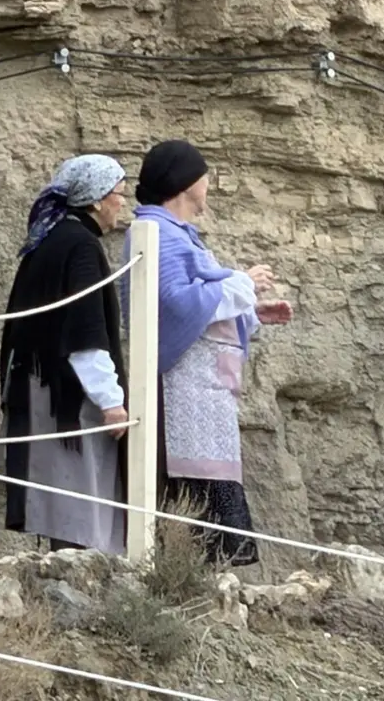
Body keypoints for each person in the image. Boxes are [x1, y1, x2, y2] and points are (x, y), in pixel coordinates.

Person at [123, 139, 293, 567]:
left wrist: (250, 311)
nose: (208, 184)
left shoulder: (179, 236)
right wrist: (240, 282)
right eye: (203, 175)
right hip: (185, 392)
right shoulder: (158, 233)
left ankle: (209, 576)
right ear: (185, 182)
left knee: (212, 486)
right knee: (194, 492)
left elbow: (200, 307)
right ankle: (191, 574)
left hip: (205, 394)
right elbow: (174, 304)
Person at [0, 154, 132, 554]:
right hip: (65, 397)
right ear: (95, 200)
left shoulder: (47, 240)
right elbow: (85, 331)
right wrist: (111, 400)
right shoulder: (80, 246)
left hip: (37, 387)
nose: (121, 205)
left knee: (60, 496)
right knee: (80, 499)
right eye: (118, 195)